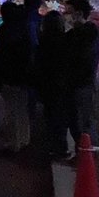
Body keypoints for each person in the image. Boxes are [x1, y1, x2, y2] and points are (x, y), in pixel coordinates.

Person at [0, 1, 33, 154]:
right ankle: (24, 141)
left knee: (11, 110)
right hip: (24, 76)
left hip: (9, 76)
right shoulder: (26, 27)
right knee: (22, 110)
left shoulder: (6, 30)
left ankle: (14, 144)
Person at [63, 0, 99, 144]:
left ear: (78, 13)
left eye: (68, 12)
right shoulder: (77, 33)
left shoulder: (88, 33)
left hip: (82, 84)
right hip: (75, 84)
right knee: (76, 121)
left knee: (83, 122)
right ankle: (84, 153)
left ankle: (87, 154)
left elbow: (80, 57)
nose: (66, 16)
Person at [34, 11, 71, 159]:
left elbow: (38, 64)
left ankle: (52, 146)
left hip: (47, 84)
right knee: (61, 117)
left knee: (50, 116)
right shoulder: (66, 41)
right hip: (62, 84)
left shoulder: (42, 42)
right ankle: (61, 148)